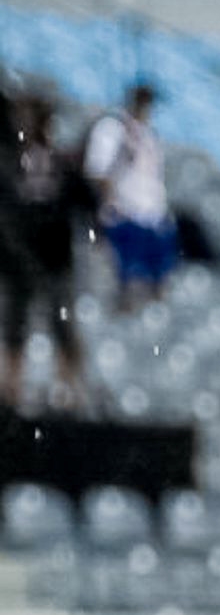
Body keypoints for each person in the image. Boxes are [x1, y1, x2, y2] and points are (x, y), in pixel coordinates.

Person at [0, 94, 89, 414]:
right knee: (14, 324)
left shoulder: (62, 166)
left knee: (61, 322)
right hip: (16, 260)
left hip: (54, 258)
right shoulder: (10, 165)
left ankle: (67, 393)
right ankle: (10, 393)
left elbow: (83, 201)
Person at [81, 84, 173, 313]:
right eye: (143, 102)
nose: (147, 108)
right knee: (127, 280)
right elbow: (97, 171)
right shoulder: (112, 129)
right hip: (124, 214)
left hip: (152, 215)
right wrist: (109, 205)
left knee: (157, 280)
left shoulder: (148, 134)